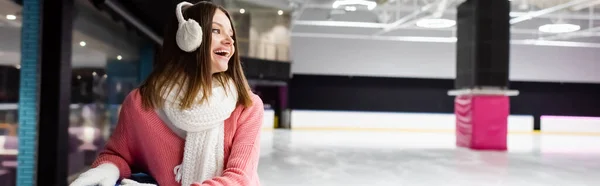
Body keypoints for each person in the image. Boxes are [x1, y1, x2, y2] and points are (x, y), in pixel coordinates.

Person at [69, 1, 263, 186]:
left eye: (231, 35)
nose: (229, 41)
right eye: (216, 30)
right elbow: (117, 154)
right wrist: (108, 169)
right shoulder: (141, 103)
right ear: (189, 38)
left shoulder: (247, 106)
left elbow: (240, 178)